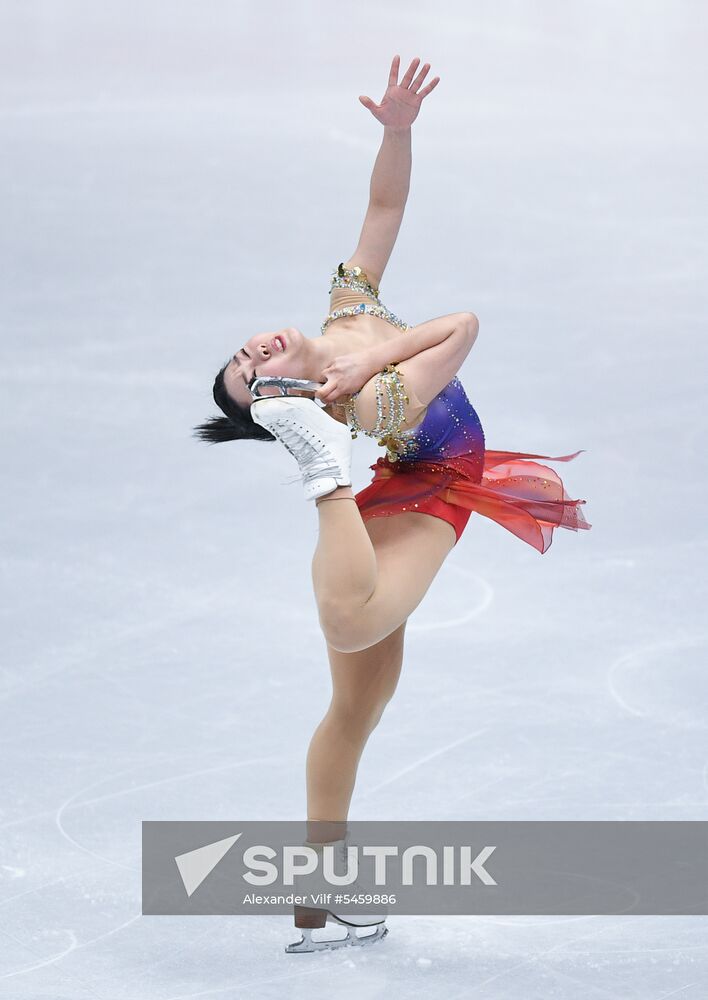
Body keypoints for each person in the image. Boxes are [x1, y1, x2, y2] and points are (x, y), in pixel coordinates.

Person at [193, 55, 591, 953]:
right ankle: (325, 472)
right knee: (354, 623)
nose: (255, 350)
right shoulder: (371, 393)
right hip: (431, 484)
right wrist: (373, 363)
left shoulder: (345, 307)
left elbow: (383, 212)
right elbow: (464, 326)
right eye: (255, 377)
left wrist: (397, 132)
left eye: (242, 355)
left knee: (357, 707)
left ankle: (312, 893)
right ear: (290, 395)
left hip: (403, 478)